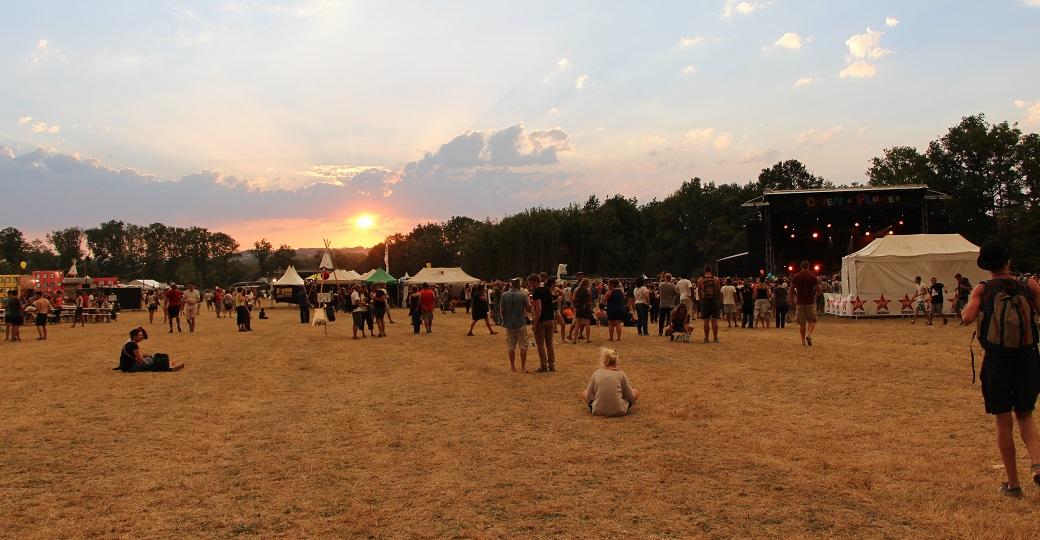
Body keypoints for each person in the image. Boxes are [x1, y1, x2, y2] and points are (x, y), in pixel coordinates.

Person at [959, 240, 1040, 498]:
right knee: (1025, 416)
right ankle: (1038, 464)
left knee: (1003, 422)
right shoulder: (1028, 284)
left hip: (997, 360)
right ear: (1008, 261)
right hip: (1027, 358)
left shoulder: (983, 289)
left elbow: (966, 317)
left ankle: (1013, 484)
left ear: (987, 265)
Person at [581, 348, 640, 417]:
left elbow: (589, 396)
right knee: (636, 391)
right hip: (620, 410)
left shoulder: (597, 373)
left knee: (584, 393)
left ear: (604, 361)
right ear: (616, 361)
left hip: (597, 411)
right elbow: (631, 397)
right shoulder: (621, 374)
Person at [499, 277, 532, 372]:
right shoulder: (523, 295)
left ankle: (512, 367)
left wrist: (504, 319)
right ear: (519, 285)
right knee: (523, 346)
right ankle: (523, 367)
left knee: (511, 346)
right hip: (520, 322)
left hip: (509, 323)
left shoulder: (504, 295)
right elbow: (529, 309)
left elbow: (501, 310)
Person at [115, 327, 184, 372]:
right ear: (134, 336)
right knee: (154, 359)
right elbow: (140, 360)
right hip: (129, 368)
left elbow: (135, 357)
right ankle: (170, 367)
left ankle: (170, 365)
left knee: (154, 357)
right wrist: (148, 361)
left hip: (126, 367)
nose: (142, 337)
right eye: (140, 335)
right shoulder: (133, 344)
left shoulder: (129, 343)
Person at [529, 274, 557, 372]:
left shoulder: (536, 292)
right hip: (550, 319)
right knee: (549, 344)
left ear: (536, 281)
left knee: (540, 344)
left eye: (531, 283)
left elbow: (539, 309)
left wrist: (535, 323)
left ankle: (544, 366)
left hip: (541, 321)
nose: (530, 285)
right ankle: (552, 365)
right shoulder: (547, 290)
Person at [790, 261, 821, 346]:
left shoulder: (796, 276)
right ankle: (808, 334)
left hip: (799, 302)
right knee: (812, 321)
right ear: (808, 266)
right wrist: (815, 296)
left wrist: (791, 299)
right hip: (810, 302)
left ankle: (803, 341)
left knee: (802, 323)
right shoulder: (812, 276)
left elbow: (791, 289)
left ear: (801, 267)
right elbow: (819, 289)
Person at [697, 265, 721, 343]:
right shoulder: (716, 279)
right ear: (711, 270)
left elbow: (699, 292)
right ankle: (715, 338)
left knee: (706, 321)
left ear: (704, 270)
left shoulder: (700, 280)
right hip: (714, 300)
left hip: (705, 301)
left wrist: (701, 301)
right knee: (714, 320)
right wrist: (718, 300)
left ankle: (706, 338)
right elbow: (718, 291)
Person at [570, 279, 593, 344]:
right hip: (586, 308)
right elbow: (590, 299)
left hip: (579, 308)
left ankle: (574, 340)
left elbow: (573, 299)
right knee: (587, 324)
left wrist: (575, 306)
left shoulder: (577, 289)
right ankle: (588, 339)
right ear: (587, 283)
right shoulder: (588, 290)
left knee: (577, 324)